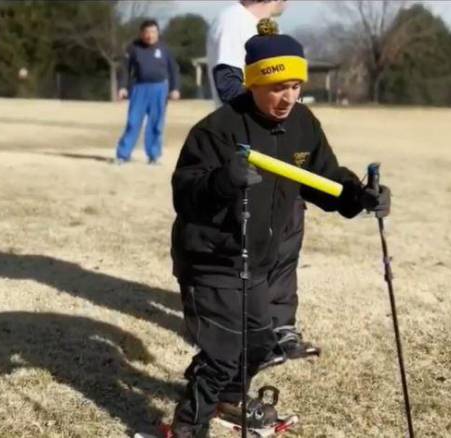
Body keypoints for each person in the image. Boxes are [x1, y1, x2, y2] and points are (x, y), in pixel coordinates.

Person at [168, 24, 390, 437]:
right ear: (253, 83)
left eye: (295, 86)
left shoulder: (302, 123)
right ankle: (186, 426)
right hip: (211, 259)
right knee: (223, 352)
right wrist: (221, 181)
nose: (288, 98)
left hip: (259, 260)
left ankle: (228, 398)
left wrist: (360, 197)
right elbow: (185, 193)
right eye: (276, 88)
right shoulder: (217, 129)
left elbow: (326, 180)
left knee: (259, 345)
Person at [207, 0, 319, 365]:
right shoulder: (233, 20)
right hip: (249, 146)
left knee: (287, 232)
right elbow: (227, 82)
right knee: (253, 245)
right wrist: (263, 124)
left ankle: (280, 327)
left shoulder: (263, 27)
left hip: (276, 144)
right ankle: (251, 332)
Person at [115, 19, 181, 165]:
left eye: (153, 32)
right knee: (133, 122)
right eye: (147, 32)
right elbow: (125, 68)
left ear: (158, 33)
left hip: (159, 88)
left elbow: (174, 70)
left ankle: (153, 155)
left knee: (156, 123)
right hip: (139, 87)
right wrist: (122, 87)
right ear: (141, 33)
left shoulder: (164, 48)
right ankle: (123, 154)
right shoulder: (133, 48)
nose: (150, 35)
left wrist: (175, 88)